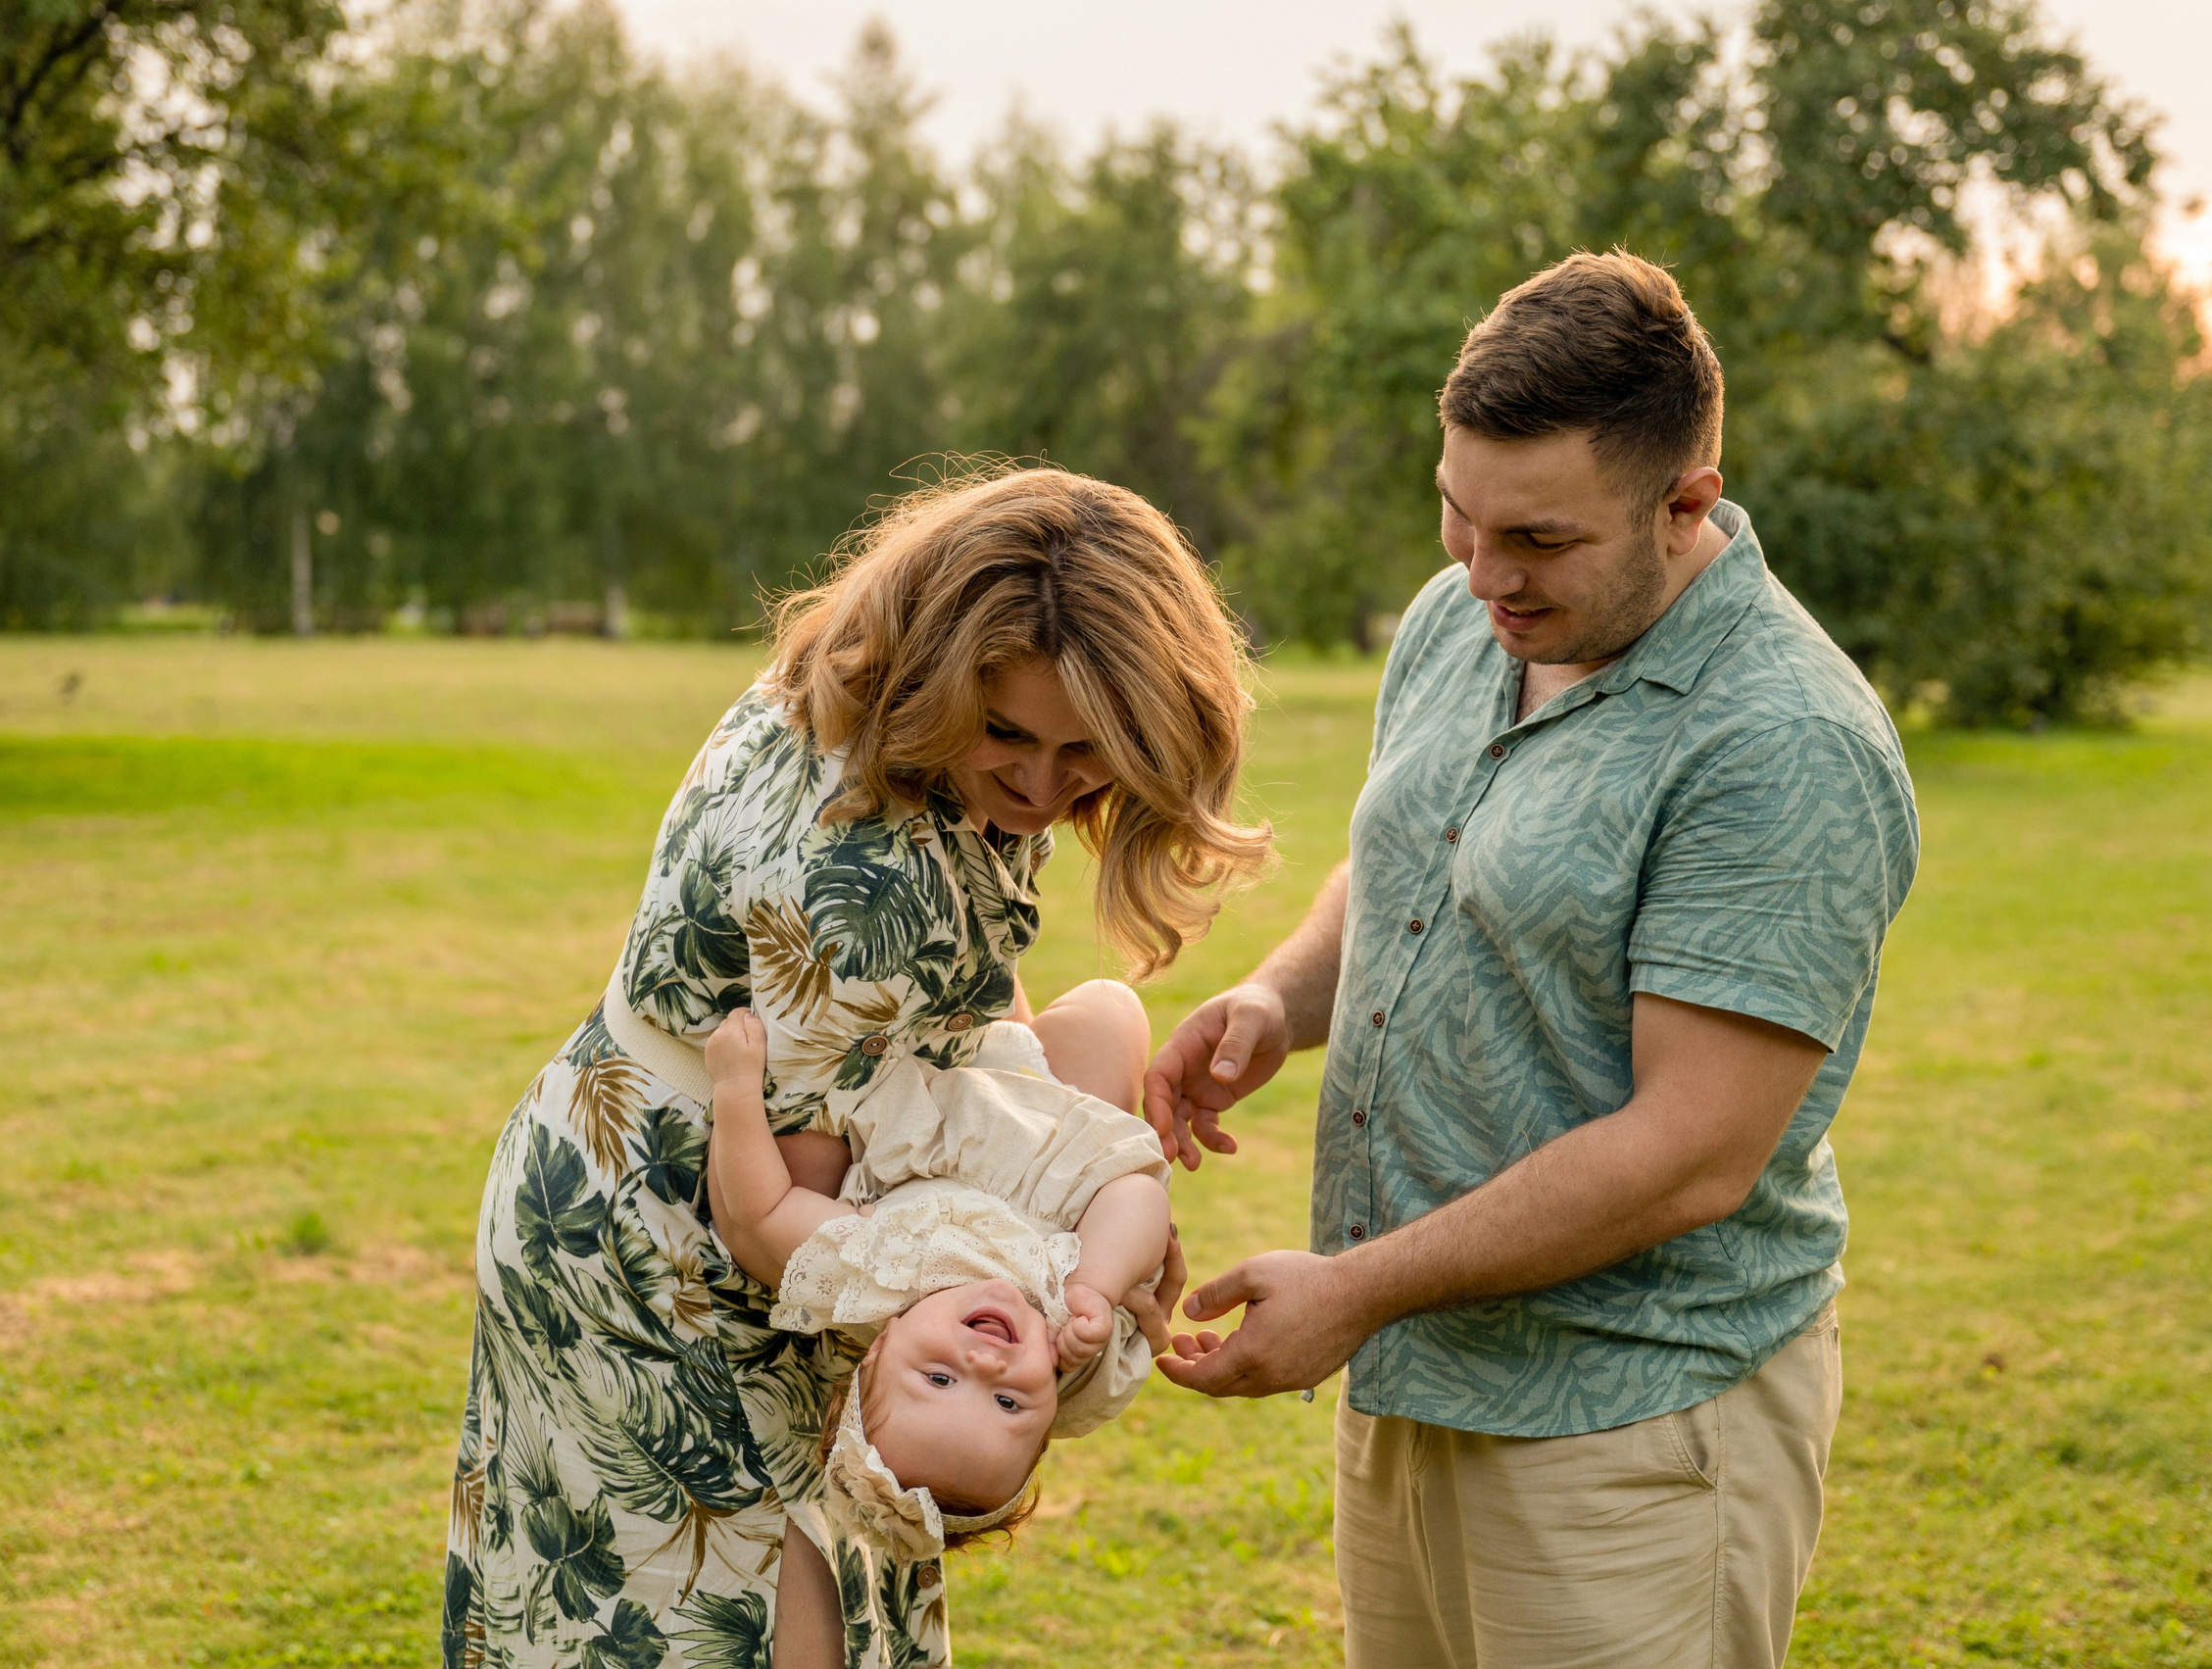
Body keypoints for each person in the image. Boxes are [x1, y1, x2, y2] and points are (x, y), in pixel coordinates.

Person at [1146, 252, 1921, 1669]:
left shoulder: (1780, 741)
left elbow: (1691, 1148)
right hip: (1420, 1379)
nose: (1488, 573)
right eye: (1460, 516)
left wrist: (1360, 1284)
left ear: (1687, 499)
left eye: (1540, 541)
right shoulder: (1464, 619)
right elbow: (1426, 857)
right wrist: (1278, 993)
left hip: (1632, 1427)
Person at [444, 466, 1266, 1669]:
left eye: (1087, 749)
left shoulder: (856, 678)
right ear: (949, 671)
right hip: (681, 1247)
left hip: (589, 1144)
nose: (1042, 788)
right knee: (733, 1614)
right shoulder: (863, 889)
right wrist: (1040, 1291)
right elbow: (793, 1223)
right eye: (1011, 738)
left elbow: (967, 1002)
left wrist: (1093, 1189)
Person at [697, 982, 1171, 1572]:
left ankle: (994, 968)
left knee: (951, 988)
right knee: (1109, 1006)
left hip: (948, 1088)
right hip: (1068, 1123)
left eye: (940, 1377)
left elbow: (759, 1213)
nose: (984, 1364)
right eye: (1007, 1402)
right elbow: (1138, 1192)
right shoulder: (1081, 1345)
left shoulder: (875, 1268)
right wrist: (1100, 1283)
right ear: (1052, 1420)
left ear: (877, 1354)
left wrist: (734, 1089)